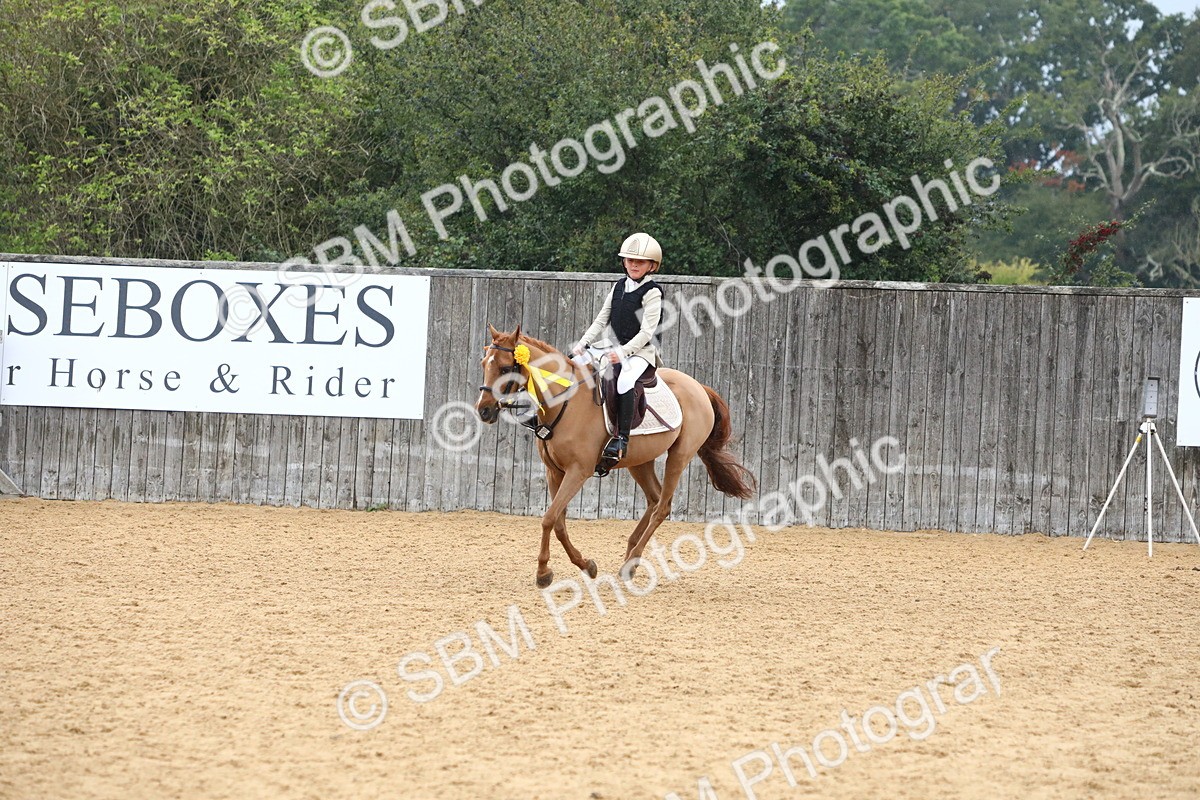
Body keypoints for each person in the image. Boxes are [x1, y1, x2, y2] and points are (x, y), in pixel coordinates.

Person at [573, 232, 665, 463]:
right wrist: (583, 343)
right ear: (623, 262)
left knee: (624, 380)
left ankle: (621, 437)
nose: (634, 265)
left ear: (651, 266)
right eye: (630, 260)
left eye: (640, 261)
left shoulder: (652, 292)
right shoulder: (619, 286)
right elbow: (602, 318)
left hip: (642, 351)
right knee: (574, 364)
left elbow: (647, 332)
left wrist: (623, 352)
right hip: (613, 345)